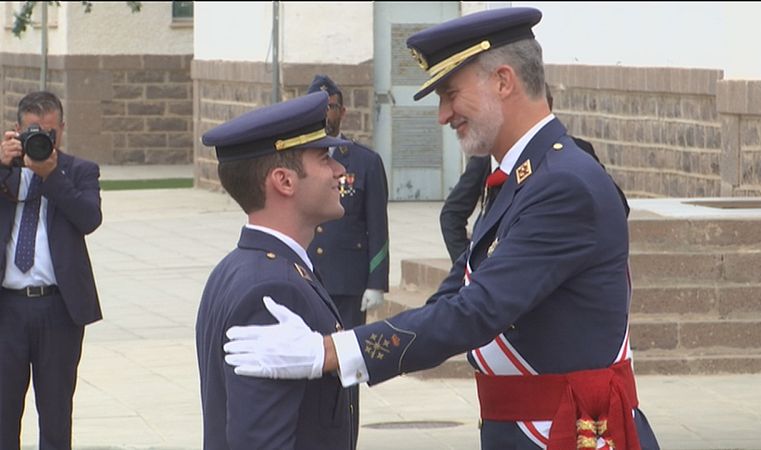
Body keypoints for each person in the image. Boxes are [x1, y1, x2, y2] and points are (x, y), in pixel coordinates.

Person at [223, 7, 660, 450]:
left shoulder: (563, 185)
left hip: (570, 433)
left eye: (451, 94)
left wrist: (331, 353)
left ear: (503, 81)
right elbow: (452, 300)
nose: (443, 115)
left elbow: (477, 311)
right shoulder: (524, 179)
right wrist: (342, 345)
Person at [195, 91, 357, 450]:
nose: (340, 171)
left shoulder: (244, 267)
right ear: (284, 181)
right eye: (325, 158)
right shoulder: (272, 288)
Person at [0, 91, 103, 450]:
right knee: (3, 412)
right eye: (33, 131)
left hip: (59, 309)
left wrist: (52, 176)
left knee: (56, 414)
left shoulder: (80, 171)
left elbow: (90, 219)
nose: (41, 139)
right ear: (16, 131)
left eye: (49, 132)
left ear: (62, 129)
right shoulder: (3, 170)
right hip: (7, 310)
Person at [440, 84, 630, 263]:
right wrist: (471, 264)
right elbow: (452, 214)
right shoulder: (488, 157)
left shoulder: (577, 153)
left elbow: (617, 204)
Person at [305, 74, 389, 442]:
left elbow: (378, 227)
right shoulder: (297, 158)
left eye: (332, 107)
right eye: (318, 108)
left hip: (348, 283)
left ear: (343, 111)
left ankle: (346, 437)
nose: (326, 114)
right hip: (307, 280)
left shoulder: (365, 162)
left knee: (349, 366)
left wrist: (376, 282)